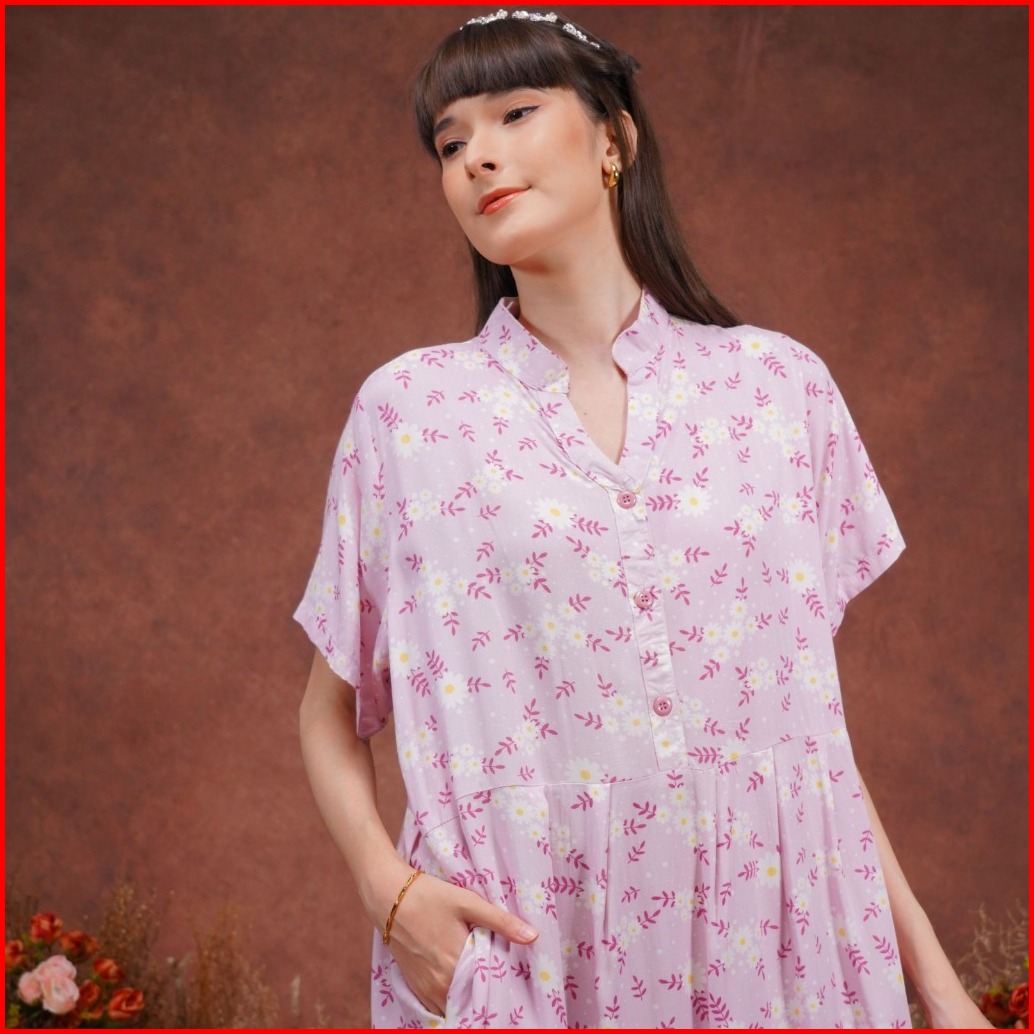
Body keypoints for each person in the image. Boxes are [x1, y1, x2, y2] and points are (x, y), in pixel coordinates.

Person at [296, 10, 989, 1028]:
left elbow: (807, 745)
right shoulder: (410, 414)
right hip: (530, 957)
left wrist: (939, 989)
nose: (476, 156)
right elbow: (329, 709)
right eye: (448, 142)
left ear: (613, 137)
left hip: (774, 954)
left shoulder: (777, 390)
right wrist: (389, 893)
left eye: (514, 114)